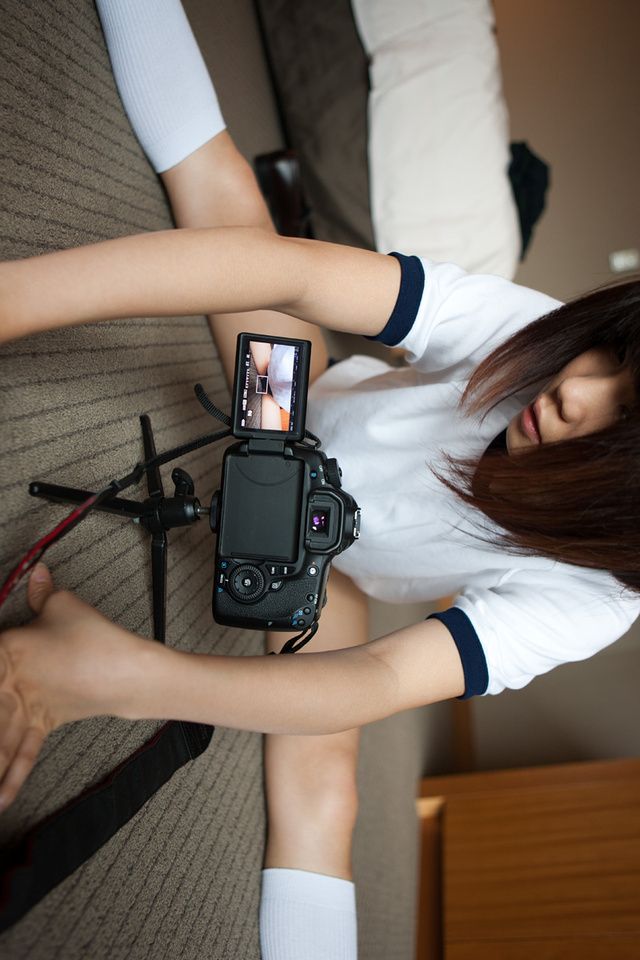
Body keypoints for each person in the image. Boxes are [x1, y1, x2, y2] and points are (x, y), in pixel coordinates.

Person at [1, 2, 639, 957]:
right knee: (226, 196)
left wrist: (128, 680)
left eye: (623, 429)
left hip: (333, 571)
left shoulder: (595, 599)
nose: (576, 390)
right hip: (287, 410)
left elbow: (377, 677)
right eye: (613, 358)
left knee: (325, 791)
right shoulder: (533, 336)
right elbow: (291, 276)